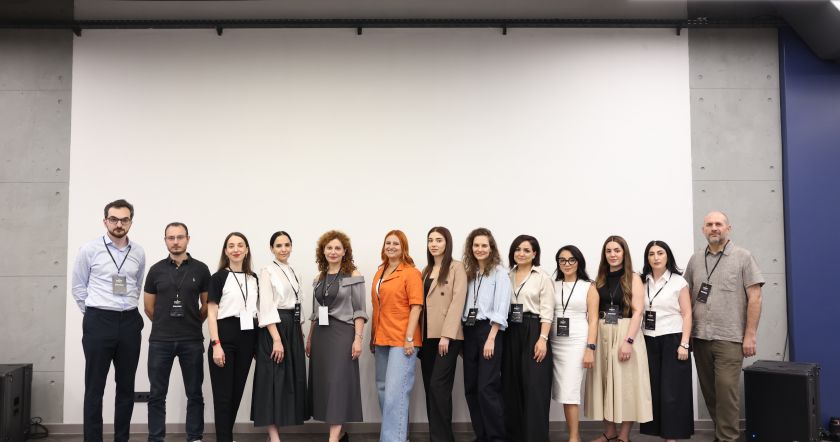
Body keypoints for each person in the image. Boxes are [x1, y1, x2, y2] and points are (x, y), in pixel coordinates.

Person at [684, 211, 764, 442]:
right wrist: (686, 335)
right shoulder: (695, 260)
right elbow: (686, 297)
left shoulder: (743, 257)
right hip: (700, 337)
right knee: (710, 393)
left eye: (718, 224)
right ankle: (722, 435)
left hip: (730, 338)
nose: (714, 228)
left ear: (728, 228)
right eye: (709, 224)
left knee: (726, 393)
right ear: (703, 230)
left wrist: (750, 335)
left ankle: (728, 438)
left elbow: (756, 297)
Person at [71, 199, 146, 442]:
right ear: (105, 221)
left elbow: (137, 285)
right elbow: (78, 287)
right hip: (98, 321)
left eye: (124, 220)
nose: (119, 224)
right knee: (95, 387)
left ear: (131, 222)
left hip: (129, 323)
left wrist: (124, 310)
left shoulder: (138, 252)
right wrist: (94, 314)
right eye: (114, 219)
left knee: (126, 387)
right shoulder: (89, 250)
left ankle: (121, 438)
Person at [143, 222, 211, 442]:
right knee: (156, 394)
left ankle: (195, 437)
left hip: (191, 340)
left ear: (188, 239)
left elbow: (206, 306)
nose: (175, 242)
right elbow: (148, 308)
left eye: (180, 237)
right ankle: (156, 438)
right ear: (165, 241)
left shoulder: (201, 269)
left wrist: (192, 322)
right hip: (160, 341)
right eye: (170, 238)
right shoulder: (155, 270)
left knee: (195, 393)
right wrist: (164, 323)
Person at [585, 235, 652, 442]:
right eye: (609, 251)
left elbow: (638, 312)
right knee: (605, 383)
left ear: (624, 253)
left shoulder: (634, 278)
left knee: (626, 385)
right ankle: (610, 432)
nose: (612, 254)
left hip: (626, 331)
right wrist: (590, 346)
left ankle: (624, 436)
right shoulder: (598, 281)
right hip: (603, 333)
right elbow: (592, 317)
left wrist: (628, 342)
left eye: (617, 250)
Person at [306, 230, 367, 442]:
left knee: (338, 384)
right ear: (323, 251)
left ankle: (333, 439)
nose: (333, 251)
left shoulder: (353, 276)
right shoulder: (318, 278)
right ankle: (340, 434)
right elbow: (315, 313)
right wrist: (309, 338)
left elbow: (359, 310)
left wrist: (358, 338)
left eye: (337, 248)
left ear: (344, 252)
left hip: (342, 333)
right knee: (325, 385)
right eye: (329, 248)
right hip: (321, 336)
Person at [370, 229, 424, 441]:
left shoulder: (411, 272)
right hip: (381, 337)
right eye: (388, 243)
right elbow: (377, 307)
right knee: (383, 389)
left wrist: (409, 338)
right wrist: (373, 336)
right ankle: (399, 436)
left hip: (403, 340)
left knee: (396, 393)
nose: (391, 246)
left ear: (403, 248)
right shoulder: (380, 272)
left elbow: (416, 306)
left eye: (396, 244)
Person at [254, 231, 307, 441]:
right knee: (272, 381)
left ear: (291, 247)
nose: (283, 249)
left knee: (288, 380)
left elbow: (298, 305)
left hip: (292, 328)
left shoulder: (293, 272)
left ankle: (276, 433)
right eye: (278, 245)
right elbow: (266, 306)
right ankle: (273, 436)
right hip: (275, 328)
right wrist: (276, 339)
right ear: (271, 249)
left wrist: (299, 332)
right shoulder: (267, 271)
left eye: (287, 245)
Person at [207, 232, 260, 442]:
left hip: (248, 337)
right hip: (224, 336)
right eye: (231, 246)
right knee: (223, 395)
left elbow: (257, 311)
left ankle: (226, 437)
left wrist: (256, 345)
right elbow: (212, 314)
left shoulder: (253, 278)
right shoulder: (218, 277)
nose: (236, 249)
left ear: (246, 250)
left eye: (240, 245)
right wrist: (216, 344)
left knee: (236, 392)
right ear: (226, 251)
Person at [638, 240, 694, 442]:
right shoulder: (642, 282)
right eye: (651, 254)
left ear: (667, 256)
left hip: (673, 338)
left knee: (672, 391)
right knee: (652, 388)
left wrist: (684, 344)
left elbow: (687, 314)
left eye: (660, 253)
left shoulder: (679, 282)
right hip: (648, 339)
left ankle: (672, 436)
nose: (656, 257)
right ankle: (656, 431)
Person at [502, 235, 555, 442]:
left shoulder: (542, 276)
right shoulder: (506, 275)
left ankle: (536, 437)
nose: (521, 253)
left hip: (534, 329)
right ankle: (515, 436)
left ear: (534, 254)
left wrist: (542, 339)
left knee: (535, 387)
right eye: (517, 249)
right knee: (511, 384)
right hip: (510, 330)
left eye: (526, 250)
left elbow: (547, 311)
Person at [461, 228, 512, 442]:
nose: (480, 249)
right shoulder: (468, 273)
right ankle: (481, 436)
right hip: (469, 330)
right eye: (476, 245)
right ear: (470, 248)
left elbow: (502, 306)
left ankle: (496, 437)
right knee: (471, 387)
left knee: (487, 387)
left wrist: (491, 338)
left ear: (491, 248)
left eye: (484, 245)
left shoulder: (499, 273)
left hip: (489, 330)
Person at [419, 227, 468, 442]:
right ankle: (438, 437)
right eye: (430, 240)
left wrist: (447, 336)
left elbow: (458, 302)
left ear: (447, 243)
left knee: (439, 387)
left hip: (447, 336)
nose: (434, 244)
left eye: (439, 240)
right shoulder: (426, 270)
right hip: (427, 336)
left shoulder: (457, 267)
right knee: (430, 388)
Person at [549, 245, 599, 442]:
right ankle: (573, 433)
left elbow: (593, 320)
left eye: (571, 260)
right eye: (562, 260)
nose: (567, 264)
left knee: (569, 389)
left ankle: (574, 436)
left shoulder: (589, 286)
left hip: (576, 342)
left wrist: (590, 348)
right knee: (561, 389)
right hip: (553, 341)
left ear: (579, 262)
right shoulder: (552, 284)